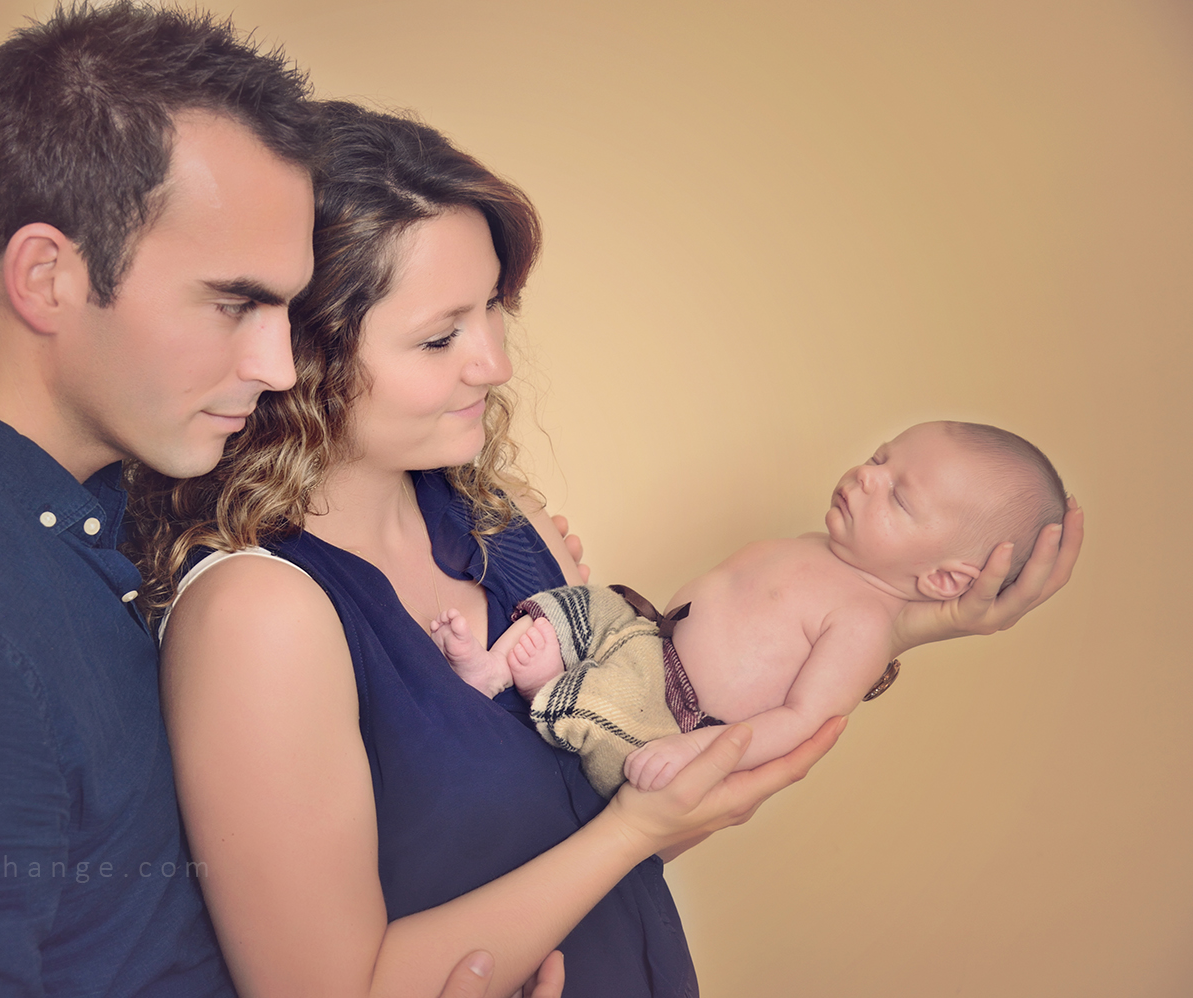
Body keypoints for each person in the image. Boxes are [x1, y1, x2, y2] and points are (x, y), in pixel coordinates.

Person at [125, 102, 1081, 998]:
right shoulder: (260, 615)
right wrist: (633, 830)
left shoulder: (508, 528)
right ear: (303, 355)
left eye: (493, 308)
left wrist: (905, 622)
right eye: (440, 338)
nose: (496, 362)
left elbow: (593, 823)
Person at [0, 6, 538, 996]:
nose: (279, 366)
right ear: (46, 277)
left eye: (285, 305)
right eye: (234, 302)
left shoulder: (90, 507)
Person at [431, 421, 1072, 795]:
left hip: (675, 716)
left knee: (617, 734)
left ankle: (551, 690)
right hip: (645, 639)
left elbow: (798, 719)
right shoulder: (825, 548)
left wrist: (699, 754)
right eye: (880, 458)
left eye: (899, 498)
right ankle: (493, 669)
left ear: (943, 578)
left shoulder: (866, 623)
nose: (865, 476)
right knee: (580, 604)